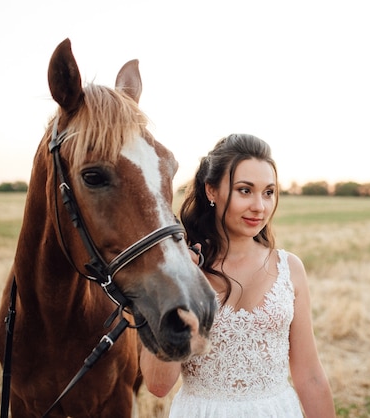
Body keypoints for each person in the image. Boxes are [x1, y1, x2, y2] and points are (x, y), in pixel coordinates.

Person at [140, 134, 336, 417]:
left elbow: (310, 375)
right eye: (245, 190)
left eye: (268, 192)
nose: (260, 206)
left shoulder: (290, 269)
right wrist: (180, 284)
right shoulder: (179, 270)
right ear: (211, 191)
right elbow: (159, 385)